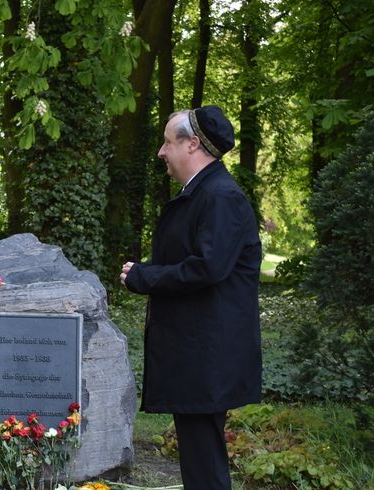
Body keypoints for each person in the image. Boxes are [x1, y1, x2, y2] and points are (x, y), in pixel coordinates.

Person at [120, 106, 262, 489]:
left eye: (168, 142)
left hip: (207, 356)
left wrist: (145, 276)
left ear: (193, 144)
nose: (161, 152)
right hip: (199, 353)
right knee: (200, 461)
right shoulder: (204, 192)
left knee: (205, 465)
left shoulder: (219, 197)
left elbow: (207, 268)